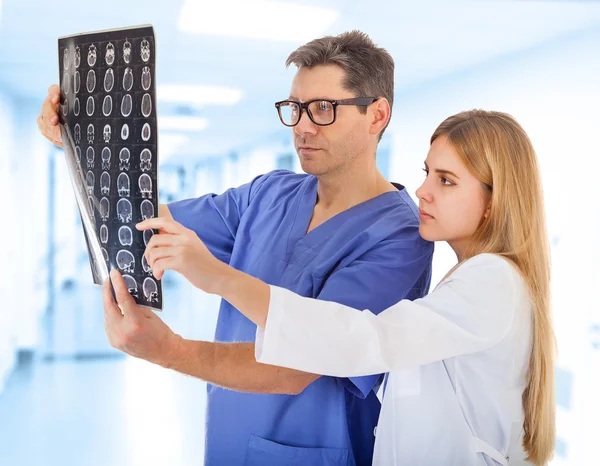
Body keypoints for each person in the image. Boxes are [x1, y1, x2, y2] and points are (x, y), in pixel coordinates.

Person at [38, 31, 433, 465]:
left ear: (376, 115)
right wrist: (80, 149)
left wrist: (168, 349)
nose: (301, 125)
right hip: (227, 441)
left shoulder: (400, 238)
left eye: (323, 109)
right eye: (294, 108)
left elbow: (296, 366)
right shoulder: (270, 193)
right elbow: (146, 219)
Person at [134, 110, 556, 465]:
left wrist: (218, 279)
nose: (424, 192)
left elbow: (358, 338)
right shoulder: (473, 279)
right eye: (427, 173)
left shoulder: (491, 281)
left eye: (446, 180)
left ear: (494, 201)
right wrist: (86, 146)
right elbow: (140, 218)